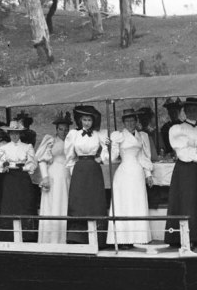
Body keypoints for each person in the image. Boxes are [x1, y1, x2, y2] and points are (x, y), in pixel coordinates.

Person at [164, 96, 197, 247]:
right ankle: (187, 238)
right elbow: (183, 152)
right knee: (188, 201)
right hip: (187, 168)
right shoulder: (178, 129)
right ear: (185, 111)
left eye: (195, 109)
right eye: (189, 109)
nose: (192, 112)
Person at [106, 109, 154, 248]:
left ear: (136, 121)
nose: (130, 123)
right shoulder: (118, 136)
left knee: (136, 203)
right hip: (124, 173)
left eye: (133, 120)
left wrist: (148, 174)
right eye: (127, 121)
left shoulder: (142, 136)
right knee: (124, 204)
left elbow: (143, 156)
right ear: (123, 122)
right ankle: (123, 239)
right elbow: (111, 157)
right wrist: (109, 147)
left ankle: (138, 237)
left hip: (137, 173)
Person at [65, 104, 108, 246]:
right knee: (79, 201)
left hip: (93, 169)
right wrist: (73, 171)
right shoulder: (74, 134)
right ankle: (77, 237)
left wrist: (101, 158)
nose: (87, 123)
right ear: (80, 120)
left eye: (89, 120)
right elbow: (69, 156)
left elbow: (107, 153)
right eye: (84, 120)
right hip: (79, 170)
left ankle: (97, 238)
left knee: (94, 201)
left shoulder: (98, 134)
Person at [0, 120, 38, 241]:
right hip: (9, 178)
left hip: (22, 178)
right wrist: (3, 167)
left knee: (24, 204)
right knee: (10, 205)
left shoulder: (27, 147)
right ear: (9, 134)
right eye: (12, 133)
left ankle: (27, 236)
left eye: (17, 133)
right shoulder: (4, 147)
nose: (14, 136)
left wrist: (24, 167)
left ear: (20, 134)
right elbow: (0, 164)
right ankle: (8, 237)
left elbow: (33, 164)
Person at [36, 113, 72, 245]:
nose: (64, 132)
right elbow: (41, 160)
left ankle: (63, 239)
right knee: (53, 204)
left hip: (67, 175)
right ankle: (50, 240)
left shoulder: (71, 141)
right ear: (56, 130)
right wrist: (45, 177)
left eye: (66, 129)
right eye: (61, 129)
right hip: (54, 175)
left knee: (64, 204)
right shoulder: (51, 141)